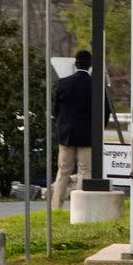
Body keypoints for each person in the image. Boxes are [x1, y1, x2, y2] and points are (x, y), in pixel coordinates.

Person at [51, 50, 108, 210]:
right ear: (90, 65)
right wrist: (98, 131)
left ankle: (56, 207)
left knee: (63, 171)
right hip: (87, 136)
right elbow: (106, 111)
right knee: (85, 170)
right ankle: (79, 209)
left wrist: (61, 125)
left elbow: (55, 110)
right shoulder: (96, 85)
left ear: (75, 64)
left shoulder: (63, 83)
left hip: (66, 135)